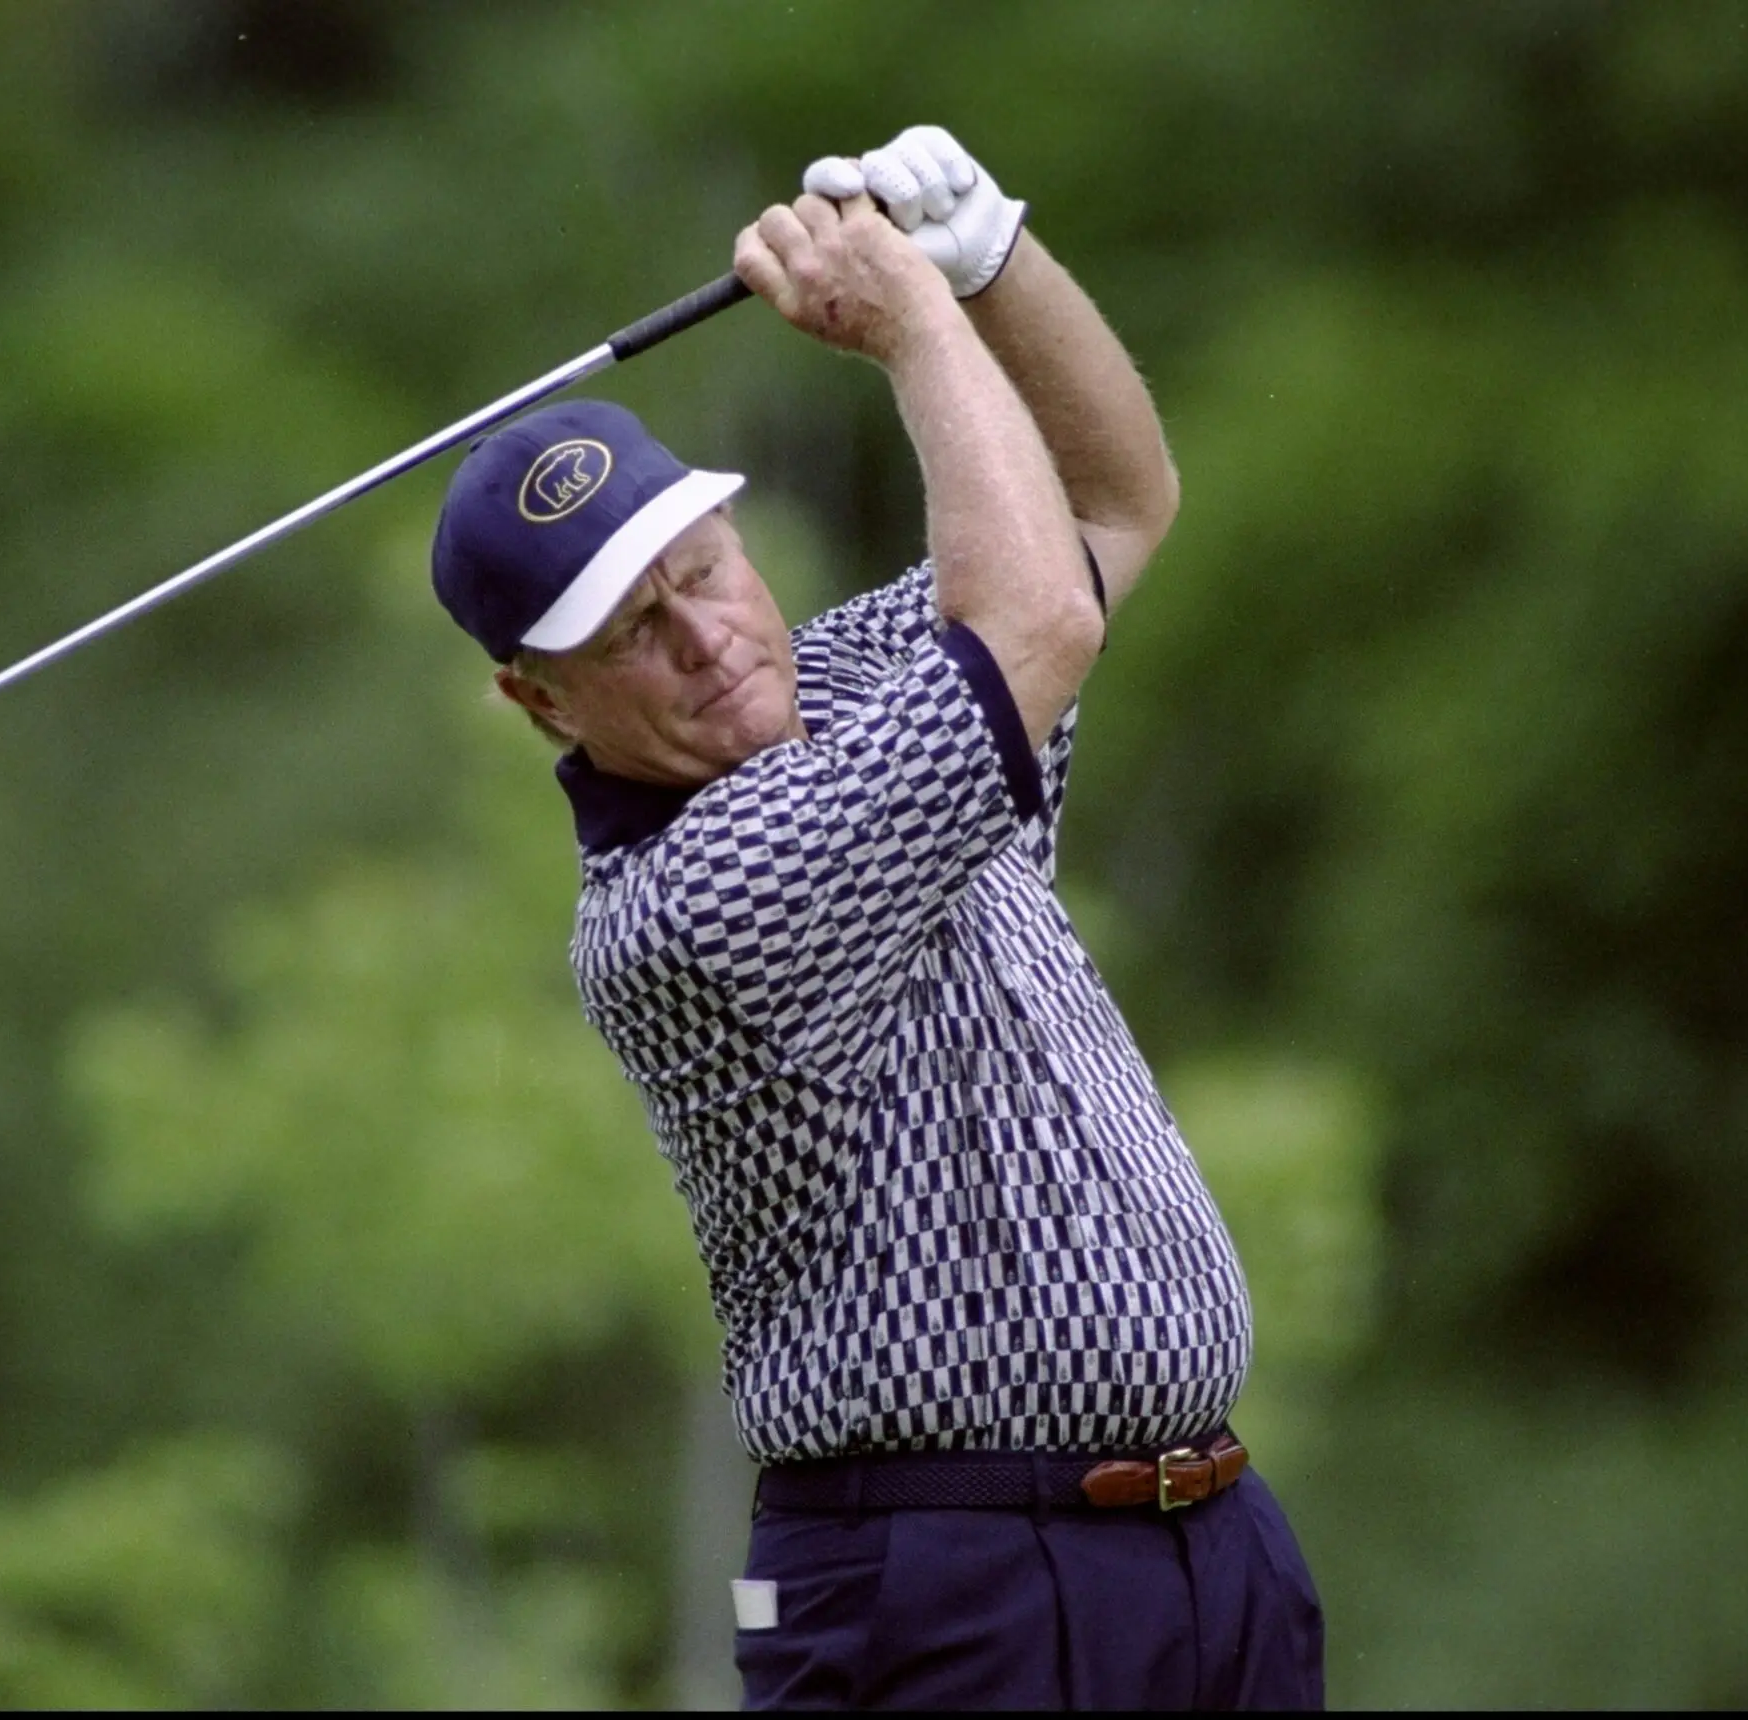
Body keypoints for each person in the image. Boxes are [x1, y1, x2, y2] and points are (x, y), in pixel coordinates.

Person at [430, 126, 1323, 1711]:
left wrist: (991, 261)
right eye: (630, 633)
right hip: (954, 1584)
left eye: (703, 571)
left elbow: (1116, 503)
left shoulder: (849, 679)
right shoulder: (689, 907)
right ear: (540, 701)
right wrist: (910, 321)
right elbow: (1036, 619)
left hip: (1206, 1552)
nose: (705, 638)